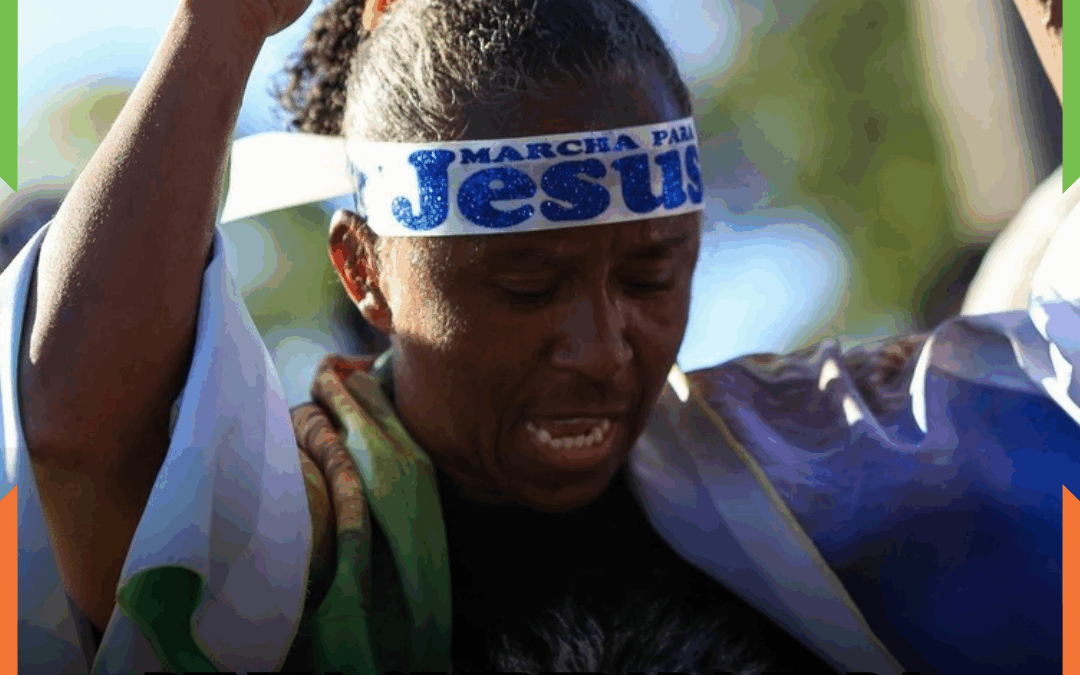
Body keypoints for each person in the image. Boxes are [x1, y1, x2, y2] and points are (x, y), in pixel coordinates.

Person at [4, 2, 1070, 675]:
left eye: (652, 275)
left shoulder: (813, 455)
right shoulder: (292, 537)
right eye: (524, 286)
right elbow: (84, 426)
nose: (604, 348)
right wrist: (221, 24)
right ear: (363, 272)